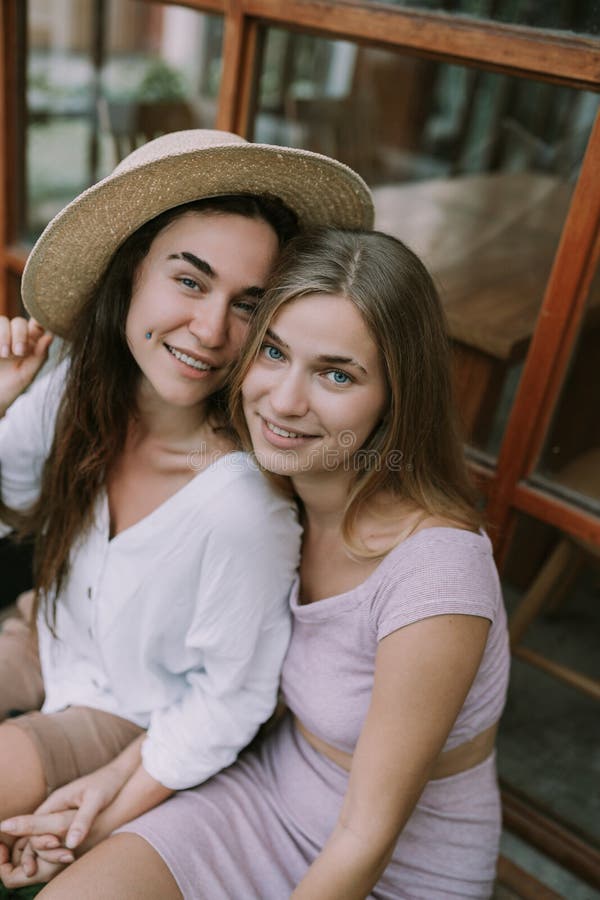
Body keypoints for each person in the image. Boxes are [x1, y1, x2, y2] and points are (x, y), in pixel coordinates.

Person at [9, 227, 511, 898]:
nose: (284, 400)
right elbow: (234, 688)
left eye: (337, 373)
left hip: (390, 868)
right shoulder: (283, 494)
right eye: (273, 352)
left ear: (397, 394)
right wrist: (102, 800)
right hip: (262, 790)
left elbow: (365, 841)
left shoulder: (436, 577)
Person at [0, 132, 373, 887]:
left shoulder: (240, 507)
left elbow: (229, 702)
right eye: (191, 281)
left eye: (249, 305)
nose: (210, 331)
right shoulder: (76, 390)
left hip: (125, 712)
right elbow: (8, 507)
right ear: (133, 272)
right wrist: (4, 399)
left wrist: (109, 802)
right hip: (46, 632)